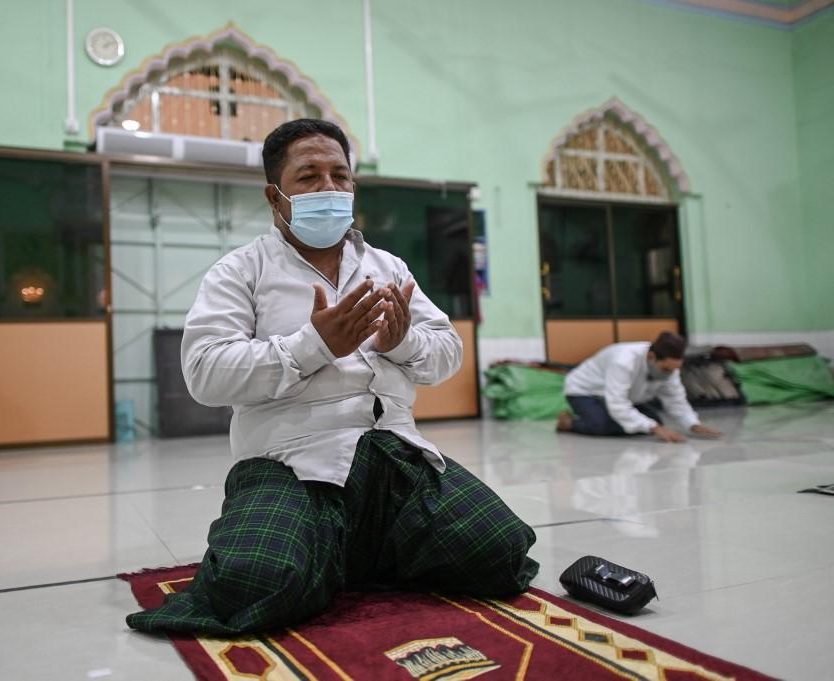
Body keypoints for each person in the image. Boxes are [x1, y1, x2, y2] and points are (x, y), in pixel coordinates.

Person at [126, 119, 538, 636]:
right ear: (274, 197)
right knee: (253, 583)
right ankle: (330, 546)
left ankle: (334, 551)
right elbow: (205, 374)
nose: (329, 189)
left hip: (392, 452)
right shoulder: (240, 271)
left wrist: (402, 343)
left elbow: (447, 353)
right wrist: (314, 346)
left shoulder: (388, 267)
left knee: (500, 553)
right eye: (309, 177)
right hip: (290, 459)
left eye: (340, 176)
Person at [556, 332, 723, 443]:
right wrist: (654, 429)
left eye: (674, 369)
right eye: (666, 369)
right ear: (651, 357)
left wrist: (693, 424)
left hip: (623, 397)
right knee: (602, 425)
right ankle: (569, 423)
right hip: (585, 392)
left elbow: (675, 399)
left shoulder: (670, 369)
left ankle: (612, 420)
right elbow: (617, 404)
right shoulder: (623, 361)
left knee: (655, 421)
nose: (669, 374)